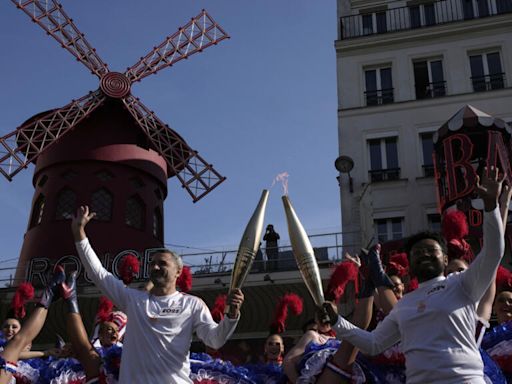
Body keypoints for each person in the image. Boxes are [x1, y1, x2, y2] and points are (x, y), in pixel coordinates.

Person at [326, 167, 505, 384]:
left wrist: (491, 206)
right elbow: (373, 343)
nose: (425, 255)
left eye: (432, 251)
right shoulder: (404, 304)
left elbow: (493, 251)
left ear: (445, 260)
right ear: (410, 264)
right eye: (418, 253)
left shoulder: (463, 284)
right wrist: (336, 321)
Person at [71, 206, 245, 384]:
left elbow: (214, 340)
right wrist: (79, 234)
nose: (155, 267)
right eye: (152, 263)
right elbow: (98, 274)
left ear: (178, 272)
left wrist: (231, 315)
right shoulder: (134, 300)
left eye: (162, 264)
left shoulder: (192, 305)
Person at [0, 266, 64, 384]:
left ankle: (50, 297)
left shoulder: (32, 366)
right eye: (6, 327)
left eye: (14, 327)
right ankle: (49, 296)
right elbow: (17, 349)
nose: (9, 329)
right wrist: (45, 353)